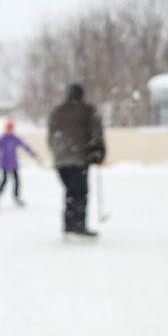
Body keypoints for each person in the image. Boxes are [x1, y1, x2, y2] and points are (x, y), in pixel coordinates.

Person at [47, 83, 107, 238]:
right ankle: (78, 225)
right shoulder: (87, 110)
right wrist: (98, 152)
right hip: (79, 158)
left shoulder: (57, 111)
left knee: (70, 192)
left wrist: (57, 153)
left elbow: (51, 136)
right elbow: (96, 132)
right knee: (80, 192)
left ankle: (69, 224)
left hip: (61, 160)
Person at [0, 120, 39, 206]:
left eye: (11, 128)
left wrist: (33, 154)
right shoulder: (2, 139)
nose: (9, 130)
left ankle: (16, 197)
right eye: (8, 128)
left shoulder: (15, 138)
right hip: (4, 164)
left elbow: (25, 146)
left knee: (17, 181)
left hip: (14, 164)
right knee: (4, 180)